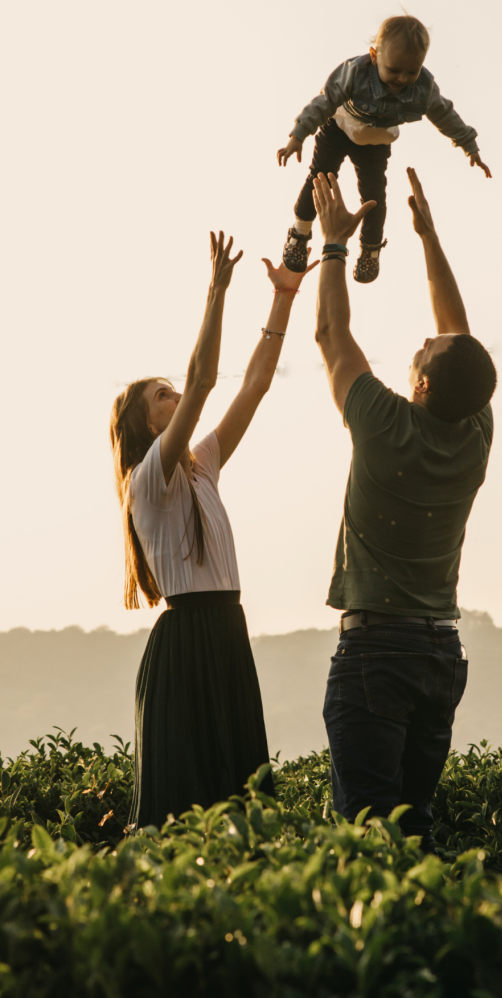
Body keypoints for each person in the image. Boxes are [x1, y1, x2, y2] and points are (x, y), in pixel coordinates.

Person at [310, 167, 497, 851]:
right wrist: (428, 238)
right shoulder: (474, 431)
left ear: (419, 383)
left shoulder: (385, 424)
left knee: (365, 837)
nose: (422, 339)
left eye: (422, 350)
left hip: (377, 651)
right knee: (414, 830)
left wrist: (333, 245)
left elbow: (331, 336)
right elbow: (461, 339)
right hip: (439, 652)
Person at [109, 232, 312, 829]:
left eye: (171, 391)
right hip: (187, 643)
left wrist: (284, 299)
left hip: (226, 632)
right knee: (185, 810)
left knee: (242, 804)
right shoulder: (149, 477)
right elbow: (204, 382)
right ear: (144, 423)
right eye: (162, 395)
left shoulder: (202, 466)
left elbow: (253, 386)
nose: (176, 397)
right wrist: (217, 292)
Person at [276, 14, 491, 284]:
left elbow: (445, 115)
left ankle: (370, 249)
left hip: (375, 141)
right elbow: (325, 100)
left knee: (374, 195)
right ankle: (300, 232)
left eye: (412, 72)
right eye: (395, 70)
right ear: (374, 55)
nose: (402, 78)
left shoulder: (423, 89)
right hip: (339, 127)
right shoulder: (355, 71)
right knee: (320, 177)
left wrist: (469, 146)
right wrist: (298, 134)